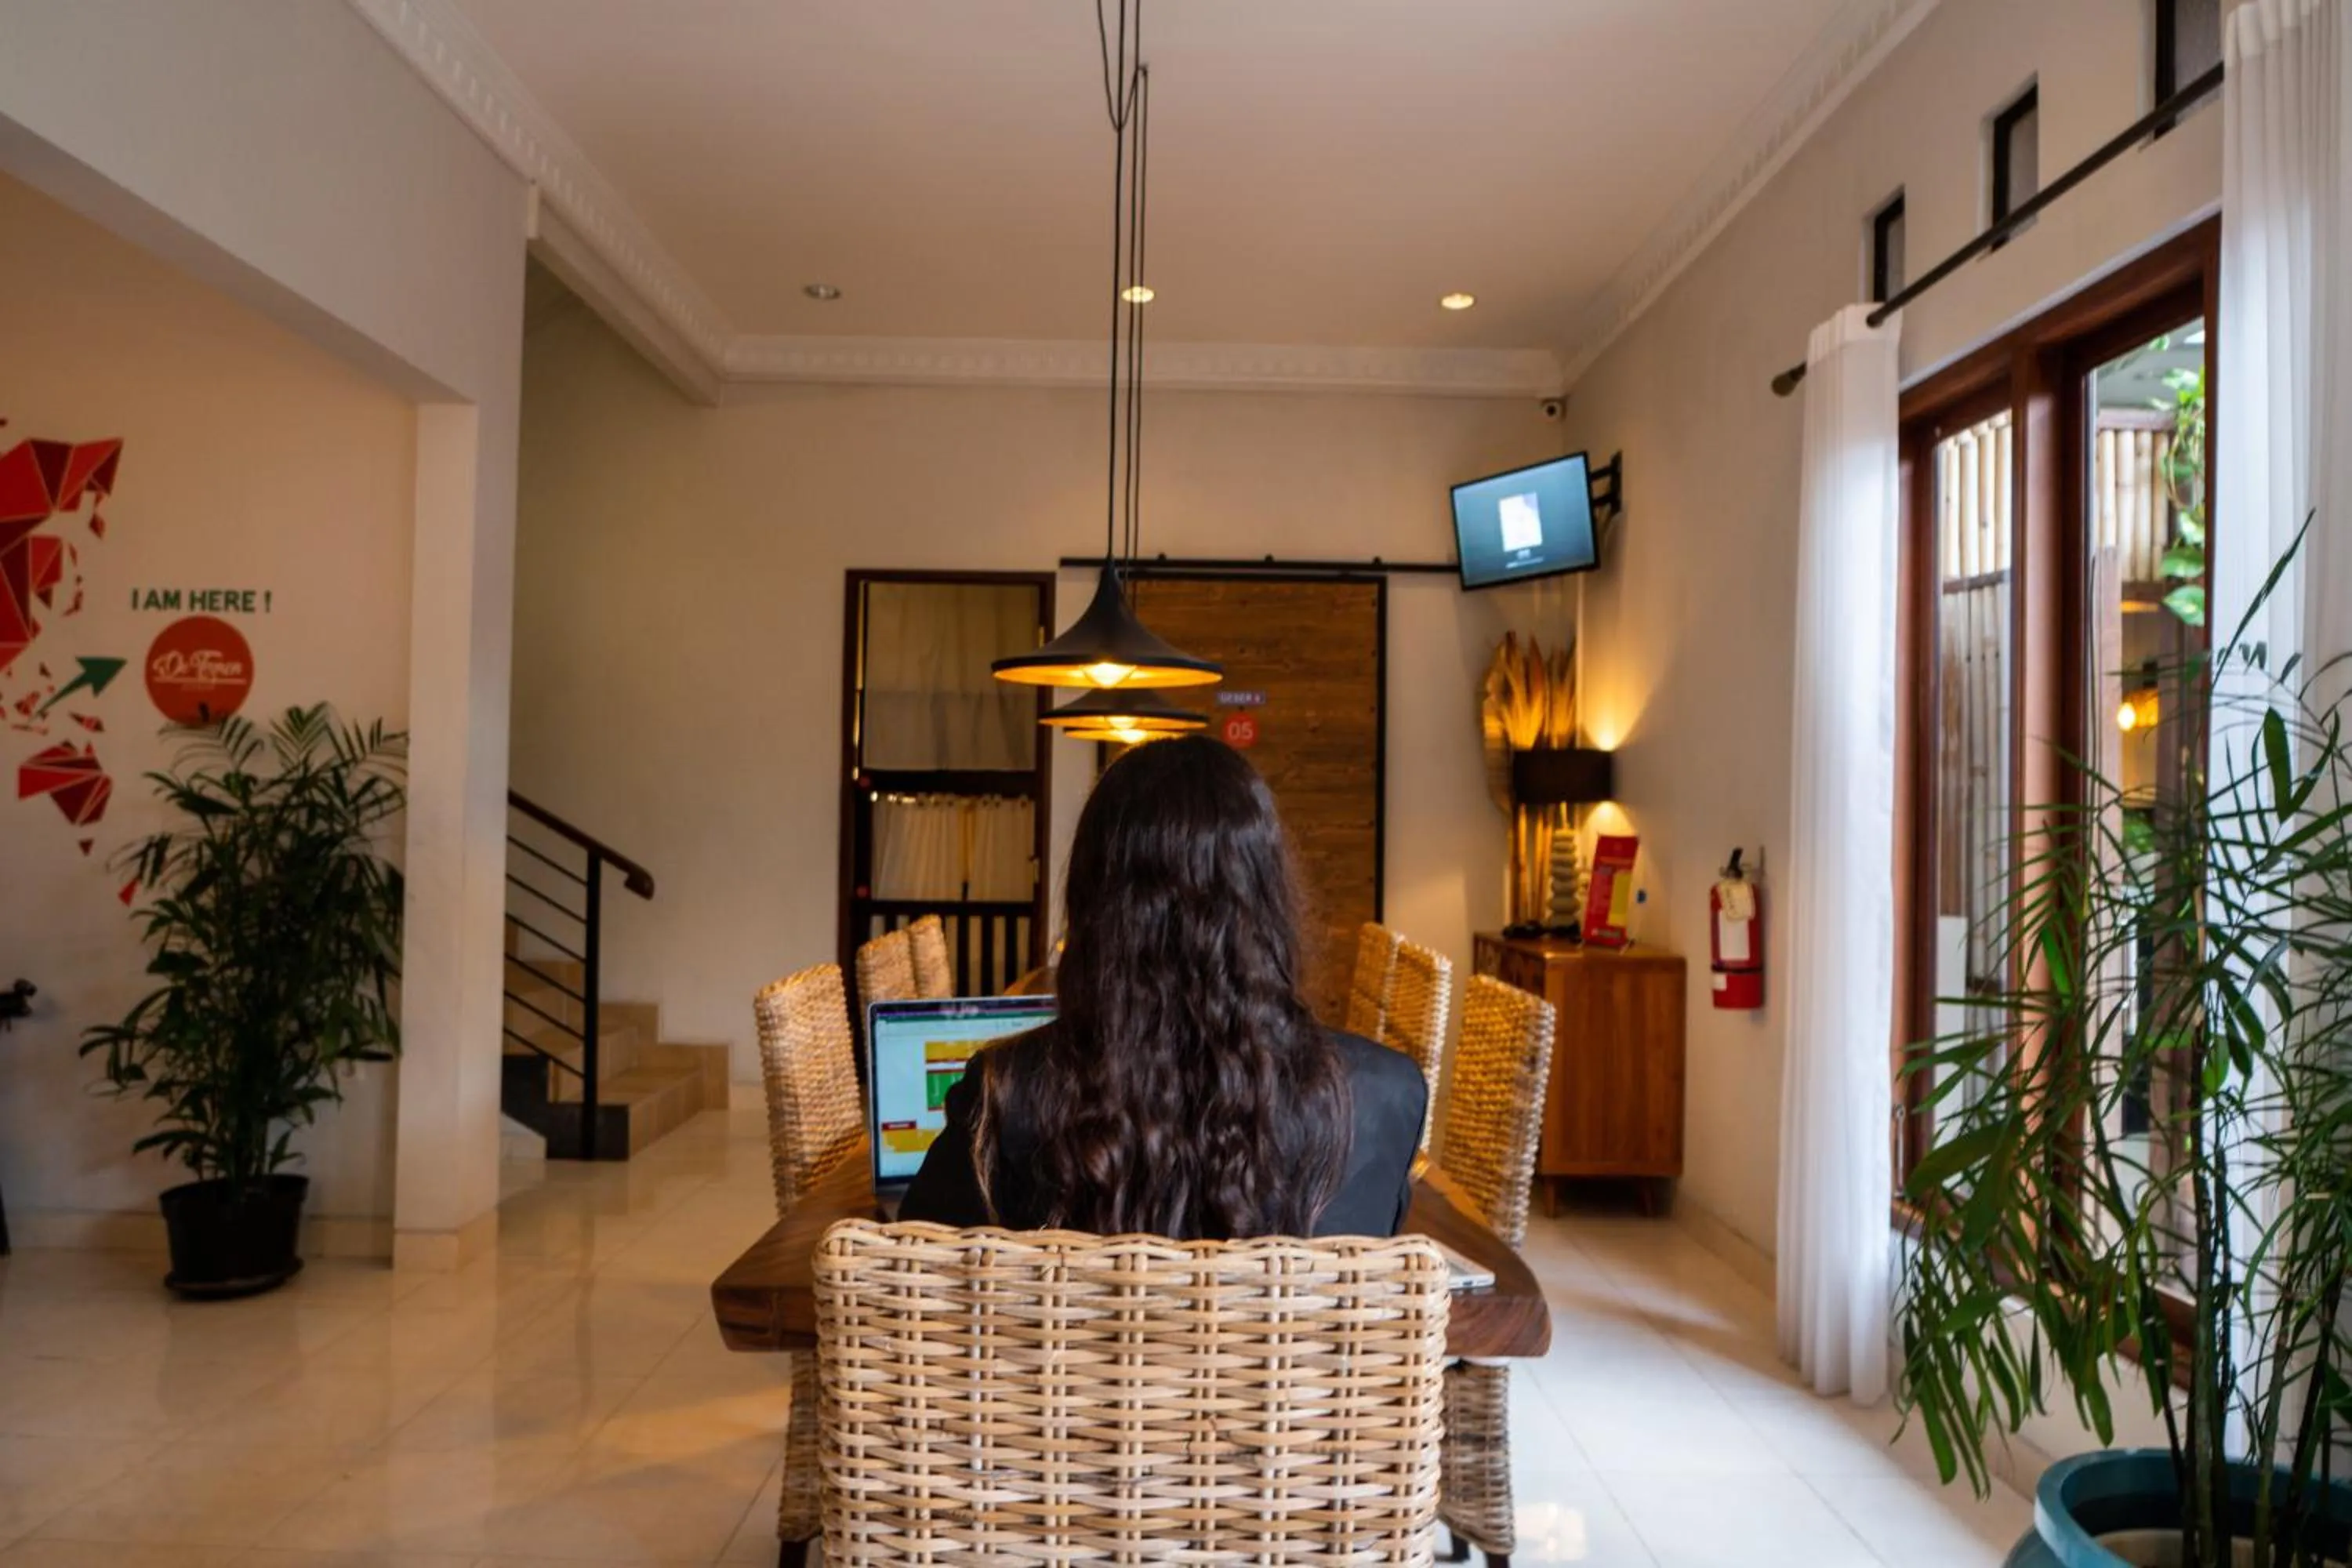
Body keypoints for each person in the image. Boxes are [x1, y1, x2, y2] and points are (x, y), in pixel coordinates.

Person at [900, 735, 1425, 1240]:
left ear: (1093, 909)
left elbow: (913, 1271)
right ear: (1267, 901)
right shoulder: (1385, 1095)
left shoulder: (1005, 1094)